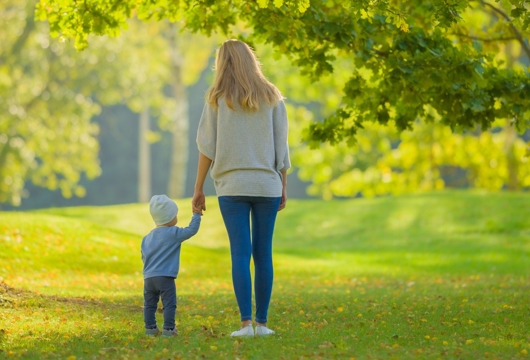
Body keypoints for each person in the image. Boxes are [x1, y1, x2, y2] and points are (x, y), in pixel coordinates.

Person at [192, 39, 290, 337]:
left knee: (240, 253)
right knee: (263, 254)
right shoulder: (273, 96)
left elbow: (207, 147)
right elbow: (281, 148)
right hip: (267, 186)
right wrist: (282, 186)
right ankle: (263, 324)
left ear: (223, 63)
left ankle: (245, 324)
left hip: (231, 186)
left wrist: (198, 188)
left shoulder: (217, 98)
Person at [141, 194, 201, 337]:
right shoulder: (173, 233)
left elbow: (143, 256)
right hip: (165, 277)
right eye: (175, 214)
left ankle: (150, 328)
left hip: (148, 278)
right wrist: (197, 215)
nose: (176, 217)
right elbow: (191, 230)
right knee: (169, 304)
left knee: (149, 304)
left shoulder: (147, 237)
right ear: (169, 217)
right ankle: (168, 329)